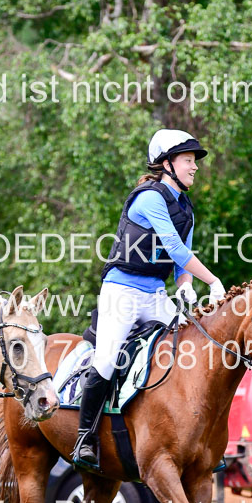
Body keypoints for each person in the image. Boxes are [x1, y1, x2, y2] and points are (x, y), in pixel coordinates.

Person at [73, 128, 226, 467]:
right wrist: (213, 280)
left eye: (194, 161)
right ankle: (85, 437)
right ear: (167, 163)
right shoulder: (149, 198)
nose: (195, 167)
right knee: (107, 360)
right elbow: (172, 246)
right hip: (122, 290)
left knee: (193, 346)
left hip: (155, 292)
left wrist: (184, 283)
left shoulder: (186, 208)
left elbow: (180, 257)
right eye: (188, 160)